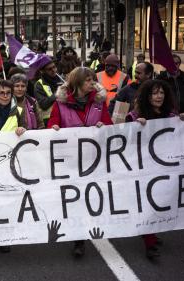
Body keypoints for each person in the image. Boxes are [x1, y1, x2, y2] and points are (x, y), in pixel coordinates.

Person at [47, 67, 112, 257]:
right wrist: (55, 127)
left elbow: (108, 124)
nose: (92, 83)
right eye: (88, 80)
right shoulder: (60, 104)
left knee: (90, 198)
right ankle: (79, 239)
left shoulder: (99, 102)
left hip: (93, 159)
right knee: (76, 199)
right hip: (70, 161)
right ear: (76, 83)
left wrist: (103, 126)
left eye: (93, 79)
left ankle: (88, 230)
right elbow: (52, 124)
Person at [125, 79, 184, 259]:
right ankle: (150, 243)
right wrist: (136, 125)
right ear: (147, 96)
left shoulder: (171, 115)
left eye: (161, 92)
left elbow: (179, 137)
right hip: (143, 169)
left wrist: (183, 122)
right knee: (147, 204)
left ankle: (149, 232)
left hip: (164, 169)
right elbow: (126, 139)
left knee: (159, 203)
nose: (159, 96)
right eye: (154, 93)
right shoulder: (135, 115)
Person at [33, 56, 64, 126]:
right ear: (42, 71)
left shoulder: (62, 80)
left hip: (63, 117)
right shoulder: (39, 84)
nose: (54, 70)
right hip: (49, 120)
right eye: (49, 69)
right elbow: (43, 104)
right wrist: (56, 94)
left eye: (54, 67)